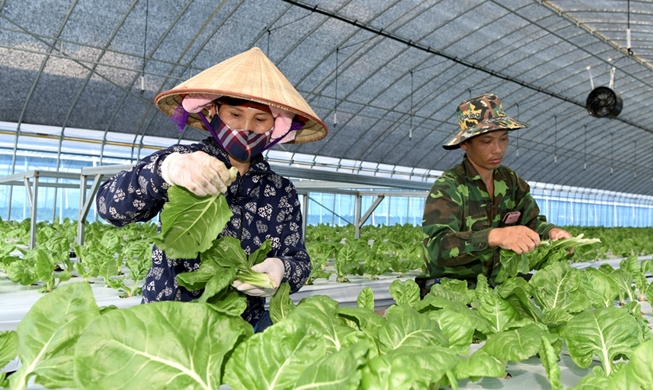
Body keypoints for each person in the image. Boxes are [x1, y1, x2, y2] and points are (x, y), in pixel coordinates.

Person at [96, 47, 327, 332]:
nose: (245, 127)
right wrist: (163, 170)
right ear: (213, 111)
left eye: (259, 119)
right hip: (171, 322)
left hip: (243, 328)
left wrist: (282, 269)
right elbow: (110, 208)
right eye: (235, 114)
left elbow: (299, 261)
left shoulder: (281, 191)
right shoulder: (184, 163)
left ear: (276, 128)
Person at [419, 93, 572, 294]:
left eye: (504, 139)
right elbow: (439, 247)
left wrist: (552, 232)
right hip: (454, 290)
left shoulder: (510, 181)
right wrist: (494, 236)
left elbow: (532, 221)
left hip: (500, 287)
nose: (498, 149)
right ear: (465, 143)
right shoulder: (450, 186)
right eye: (487, 141)